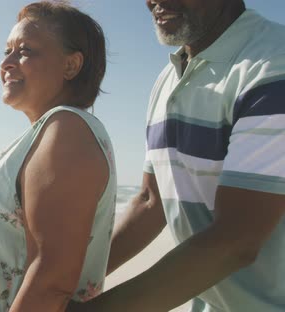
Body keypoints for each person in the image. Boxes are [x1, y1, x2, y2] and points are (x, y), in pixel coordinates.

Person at [67, 0, 285, 311]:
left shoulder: (274, 62)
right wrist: (64, 284)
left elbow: (238, 238)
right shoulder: (167, 79)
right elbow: (150, 201)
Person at [0, 1, 116, 311]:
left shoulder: (67, 129)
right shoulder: (46, 135)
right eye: (7, 51)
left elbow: (51, 281)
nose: (7, 62)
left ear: (71, 66)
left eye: (26, 50)